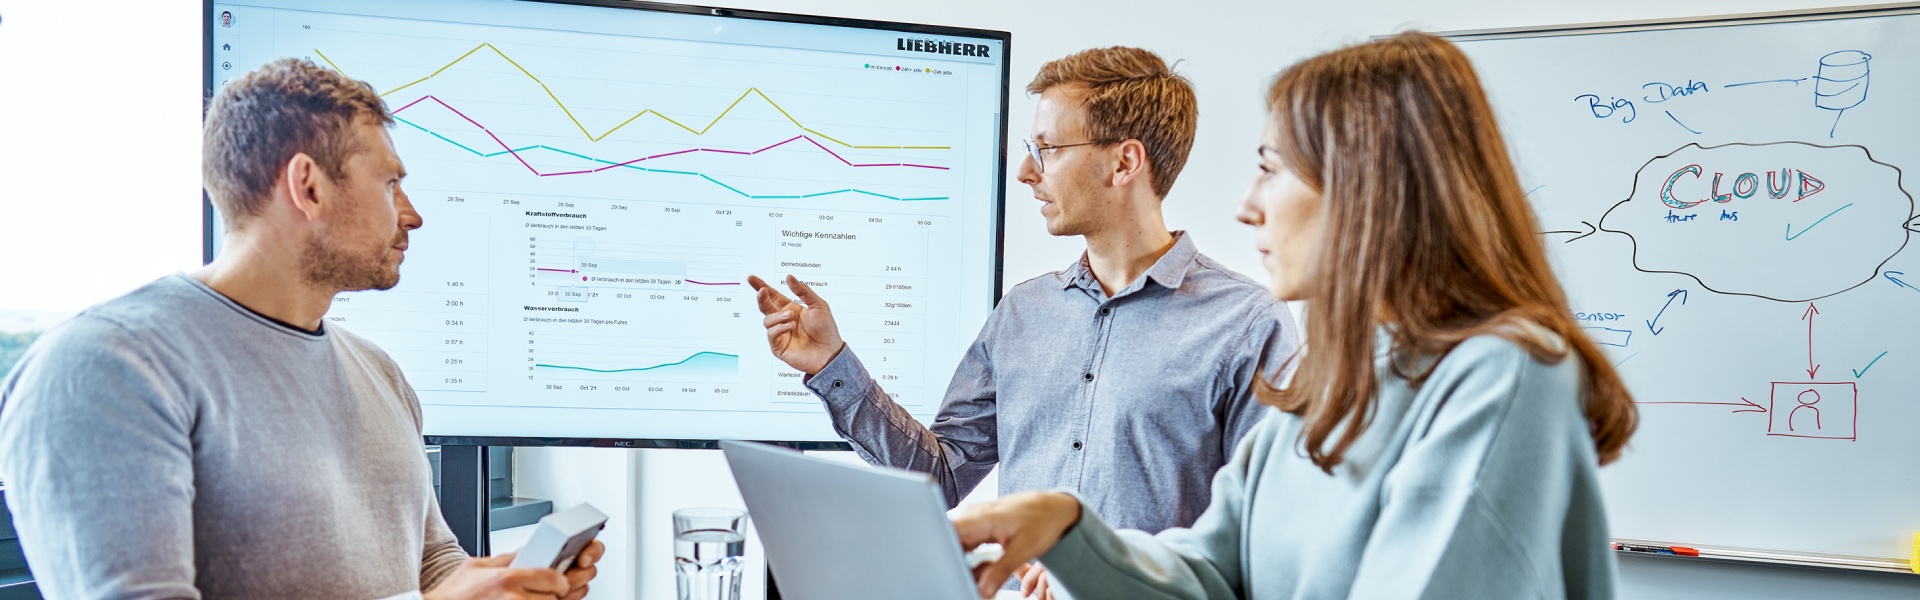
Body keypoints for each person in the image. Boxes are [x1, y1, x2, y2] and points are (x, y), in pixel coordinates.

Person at [951, 32, 1640, 600]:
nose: (1247, 206)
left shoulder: (1502, 377)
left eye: (1270, 168)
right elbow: (1209, 576)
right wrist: (1067, 526)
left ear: (1370, 187)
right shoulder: (1326, 386)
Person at [0, 58, 601, 600]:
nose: (411, 214)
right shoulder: (104, 368)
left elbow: (430, 565)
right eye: (391, 183)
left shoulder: (380, 373)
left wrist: (507, 583)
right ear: (308, 186)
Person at [750, 47, 1297, 597]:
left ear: (1125, 162)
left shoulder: (1247, 326)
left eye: (1049, 149)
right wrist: (830, 364)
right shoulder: (1022, 313)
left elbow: (1263, 542)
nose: (1026, 171)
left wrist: (1095, 571)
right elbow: (936, 478)